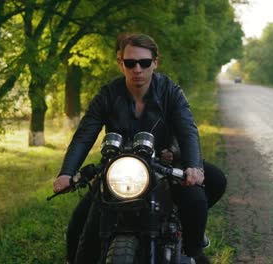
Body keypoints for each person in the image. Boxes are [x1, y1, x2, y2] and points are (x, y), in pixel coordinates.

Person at [54, 33, 211, 263]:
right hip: (117, 170)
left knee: (197, 200)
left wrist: (193, 166)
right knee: (79, 223)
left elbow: (187, 130)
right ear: (121, 63)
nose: (137, 69)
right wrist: (67, 172)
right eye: (130, 63)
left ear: (155, 62)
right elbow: (84, 135)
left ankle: (192, 249)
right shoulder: (108, 94)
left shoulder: (170, 92)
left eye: (144, 62)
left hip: (163, 166)